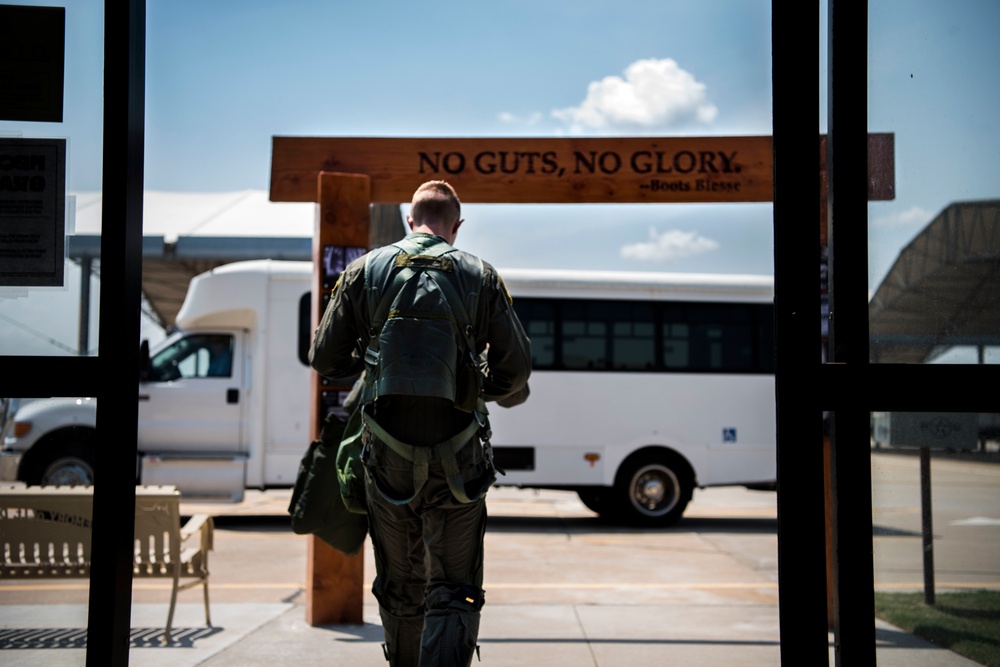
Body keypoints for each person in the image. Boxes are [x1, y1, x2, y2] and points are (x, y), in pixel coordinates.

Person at [309, 180, 532, 667]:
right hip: (462, 459)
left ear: (410, 221)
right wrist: (470, 387)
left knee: (401, 580)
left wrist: (373, 366)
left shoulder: (363, 270)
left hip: (386, 456)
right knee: (453, 585)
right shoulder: (481, 275)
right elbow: (516, 371)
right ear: (457, 225)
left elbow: (324, 358)